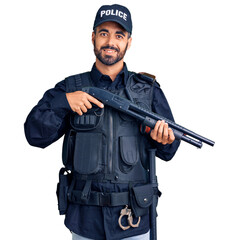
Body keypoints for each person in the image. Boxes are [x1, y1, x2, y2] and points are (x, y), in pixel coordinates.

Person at [24, 4, 180, 240]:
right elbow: (34, 135)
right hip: (85, 219)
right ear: (93, 37)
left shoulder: (146, 91)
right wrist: (63, 102)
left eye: (119, 35)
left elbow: (170, 150)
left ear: (129, 41)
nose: (111, 41)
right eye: (104, 33)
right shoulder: (71, 87)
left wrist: (164, 139)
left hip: (133, 220)